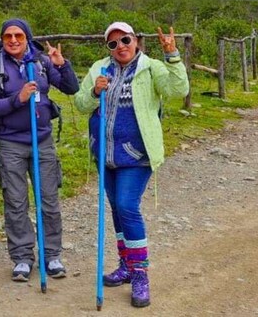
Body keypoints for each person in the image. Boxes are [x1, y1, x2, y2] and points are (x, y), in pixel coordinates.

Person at [73, 22, 189, 308]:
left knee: (126, 206)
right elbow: (80, 103)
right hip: (105, 153)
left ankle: (140, 274)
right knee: (117, 210)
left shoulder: (150, 69)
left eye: (124, 40)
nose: (120, 47)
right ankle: (125, 264)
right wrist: (94, 93)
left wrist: (172, 54)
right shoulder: (100, 69)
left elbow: (178, 89)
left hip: (137, 155)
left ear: (136, 40)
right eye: (113, 44)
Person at [0, 18, 79, 282]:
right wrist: (18, 98)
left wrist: (62, 64)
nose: (13, 40)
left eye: (19, 36)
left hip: (42, 140)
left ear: (27, 37)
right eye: (8, 36)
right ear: (2, 40)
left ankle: (52, 255)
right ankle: (22, 258)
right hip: (10, 143)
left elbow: (71, 88)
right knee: (15, 202)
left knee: (48, 200)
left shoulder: (42, 63)